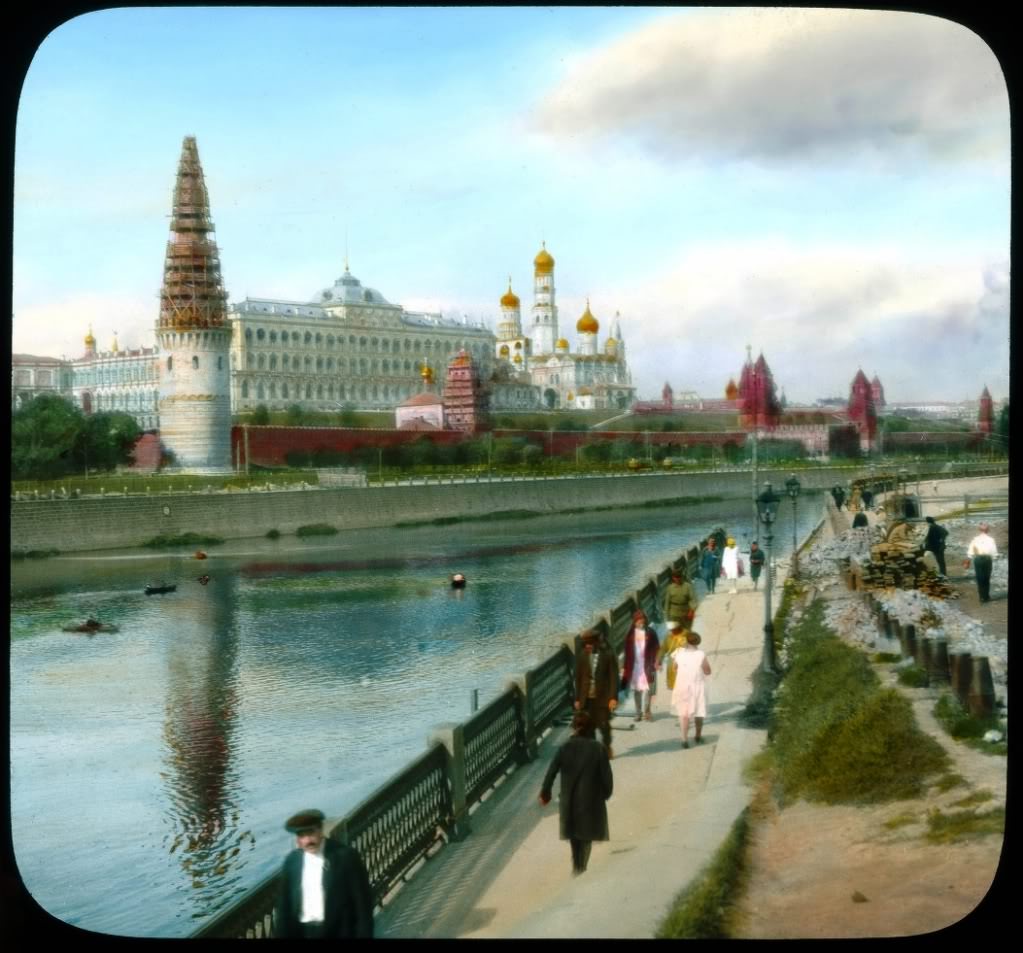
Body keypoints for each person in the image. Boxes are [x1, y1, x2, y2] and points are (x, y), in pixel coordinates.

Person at [274, 809, 375, 939]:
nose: (307, 841)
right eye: (302, 836)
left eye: (311, 833)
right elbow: (284, 908)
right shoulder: (292, 861)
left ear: (320, 830)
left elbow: (363, 905)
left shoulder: (346, 857)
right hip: (304, 932)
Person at [538, 710, 613, 876]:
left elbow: (551, 772)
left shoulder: (564, 748)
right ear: (591, 729)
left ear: (573, 727)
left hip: (569, 799)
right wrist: (605, 794)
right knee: (586, 837)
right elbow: (607, 778)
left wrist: (545, 793)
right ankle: (581, 868)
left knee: (574, 836)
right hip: (590, 800)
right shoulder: (598, 749)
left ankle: (577, 866)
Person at [574, 628, 619, 757]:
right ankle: (592, 751)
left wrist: (613, 697)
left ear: (596, 643)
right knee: (589, 726)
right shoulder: (582, 656)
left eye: (590, 644)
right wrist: (577, 698)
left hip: (603, 698)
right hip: (586, 697)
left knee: (604, 725)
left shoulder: (608, 655)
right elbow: (578, 678)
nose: (588, 646)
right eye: (586, 644)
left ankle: (607, 746)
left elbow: (614, 678)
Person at [670, 631, 711, 749]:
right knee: (699, 712)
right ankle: (698, 735)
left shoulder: (678, 653)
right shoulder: (701, 654)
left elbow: (674, 668)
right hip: (697, 686)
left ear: (686, 641)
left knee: (683, 714)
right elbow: (708, 671)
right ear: (698, 642)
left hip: (682, 686)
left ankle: (684, 739)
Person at [622, 609, 659, 722]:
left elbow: (657, 648)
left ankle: (647, 712)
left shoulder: (651, 632)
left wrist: (657, 661)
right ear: (634, 621)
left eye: (642, 620)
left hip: (648, 665)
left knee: (648, 690)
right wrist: (625, 666)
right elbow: (627, 652)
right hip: (636, 666)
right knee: (637, 690)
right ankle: (638, 712)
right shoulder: (630, 635)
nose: (641, 622)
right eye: (638, 621)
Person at [965, 523, 998, 603]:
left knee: (979, 577)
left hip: (978, 559)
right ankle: (986, 596)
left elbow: (970, 550)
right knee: (986, 578)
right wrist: (994, 557)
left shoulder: (975, 539)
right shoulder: (991, 539)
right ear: (987, 530)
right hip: (987, 559)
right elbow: (994, 551)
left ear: (979, 530)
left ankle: (981, 597)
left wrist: (969, 558)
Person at [657, 620, 688, 693]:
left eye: (674, 629)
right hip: (672, 666)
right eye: (671, 630)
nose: (672, 631)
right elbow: (663, 649)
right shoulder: (668, 637)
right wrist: (659, 660)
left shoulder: (686, 634)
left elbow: (685, 648)